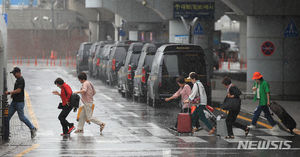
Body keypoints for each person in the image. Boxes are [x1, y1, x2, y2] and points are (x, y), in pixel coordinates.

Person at [5, 67, 37, 139]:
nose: (14, 75)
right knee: (7, 117)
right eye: (13, 73)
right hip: (14, 102)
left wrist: (10, 92)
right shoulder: (17, 80)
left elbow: (19, 90)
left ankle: (32, 128)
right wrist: (13, 95)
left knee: (21, 117)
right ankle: (6, 135)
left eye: (14, 73)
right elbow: (17, 90)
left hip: (19, 103)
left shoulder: (21, 80)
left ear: (19, 73)